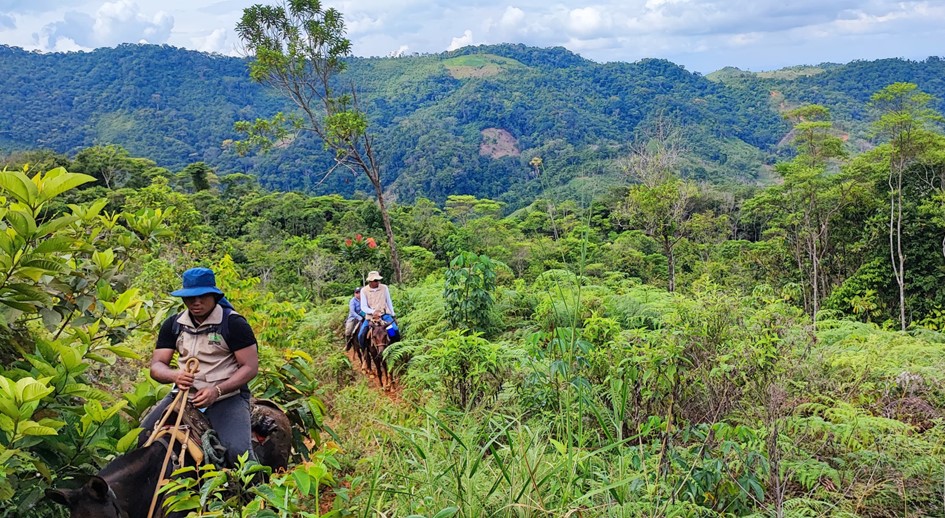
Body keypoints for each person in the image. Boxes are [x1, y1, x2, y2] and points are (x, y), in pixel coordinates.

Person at [139, 267, 259, 467]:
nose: (196, 302)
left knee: (239, 453)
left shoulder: (233, 324)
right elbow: (157, 366)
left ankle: (256, 492)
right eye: (190, 297)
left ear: (213, 295)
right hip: (182, 395)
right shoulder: (173, 324)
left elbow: (250, 367)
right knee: (142, 436)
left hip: (226, 398)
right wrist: (174, 375)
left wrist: (217, 390)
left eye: (202, 296)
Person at [357, 270, 398, 347]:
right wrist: (373, 312)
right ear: (370, 281)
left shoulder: (384, 288)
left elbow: (388, 302)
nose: (377, 282)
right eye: (375, 280)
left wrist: (393, 314)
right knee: (361, 335)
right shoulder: (364, 290)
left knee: (394, 331)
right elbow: (363, 307)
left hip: (384, 315)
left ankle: (394, 349)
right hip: (370, 317)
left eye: (378, 280)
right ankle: (365, 351)